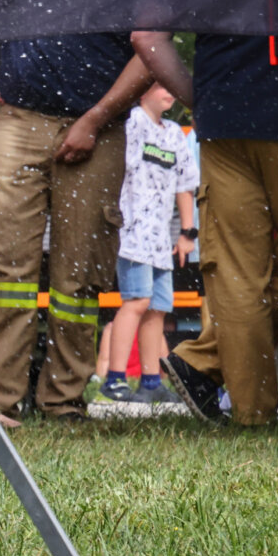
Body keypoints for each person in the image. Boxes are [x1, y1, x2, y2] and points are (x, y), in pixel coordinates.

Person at [137, 32, 278, 426]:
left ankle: (249, 412)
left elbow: (145, 34)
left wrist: (199, 98)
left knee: (237, 278)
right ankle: (203, 364)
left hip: (224, 118)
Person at [0, 34, 150, 422]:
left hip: (102, 122)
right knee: (4, 262)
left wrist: (96, 118)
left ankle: (64, 402)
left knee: (80, 272)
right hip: (19, 116)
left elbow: (152, 49)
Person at [99, 81, 197, 403]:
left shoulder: (174, 134)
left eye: (172, 84)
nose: (169, 90)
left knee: (157, 309)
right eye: (159, 85)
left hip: (160, 239)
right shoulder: (130, 125)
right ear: (141, 90)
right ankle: (114, 379)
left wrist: (187, 232)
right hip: (131, 233)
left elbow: (185, 184)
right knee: (136, 301)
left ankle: (151, 381)